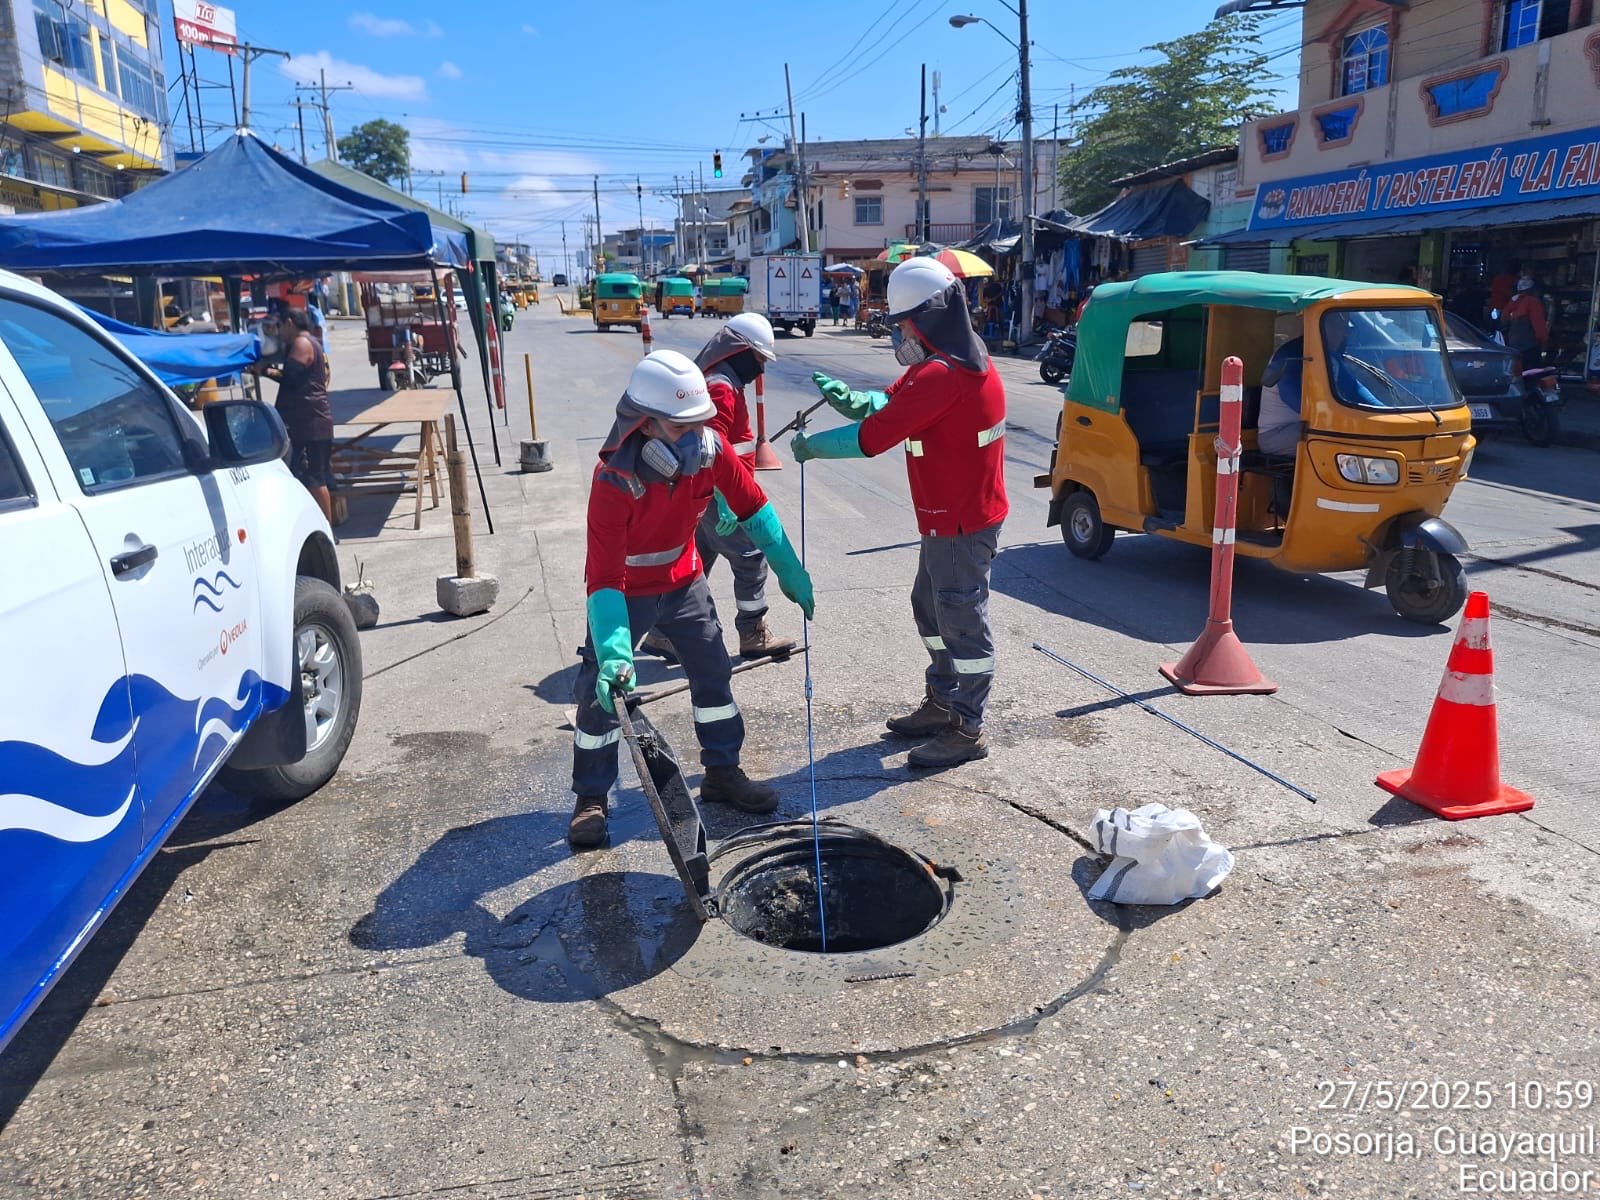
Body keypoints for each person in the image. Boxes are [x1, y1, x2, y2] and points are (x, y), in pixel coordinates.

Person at [570, 349, 815, 849]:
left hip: (685, 583)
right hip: (626, 593)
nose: (696, 437)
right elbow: (604, 578)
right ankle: (591, 798)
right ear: (645, 425)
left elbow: (753, 507)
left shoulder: (712, 450)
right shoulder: (615, 481)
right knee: (602, 689)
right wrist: (615, 652)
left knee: (713, 673)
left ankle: (723, 772)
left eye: (700, 422)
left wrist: (789, 568)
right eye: (681, 427)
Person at [791, 257, 1007, 769]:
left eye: (903, 324)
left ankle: (967, 727)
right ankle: (943, 699)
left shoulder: (942, 374)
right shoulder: (946, 360)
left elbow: (875, 436)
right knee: (929, 607)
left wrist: (816, 446)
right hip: (946, 517)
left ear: (926, 320)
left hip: (961, 521)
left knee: (960, 618)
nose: (899, 334)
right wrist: (853, 399)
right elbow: (893, 402)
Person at [649, 313, 795, 660]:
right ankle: (753, 632)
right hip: (721, 496)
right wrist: (727, 499)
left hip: (709, 494)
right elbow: (709, 450)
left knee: (695, 562)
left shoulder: (722, 381)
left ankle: (662, 633)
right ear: (739, 351)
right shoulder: (720, 387)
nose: (761, 368)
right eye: (759, 359)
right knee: (751, 556)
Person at [255, 306, 334, 523]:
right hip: (307, 421)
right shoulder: (311, 342)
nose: (279, 332)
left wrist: (265, 370)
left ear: (289, 323)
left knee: (315, 480)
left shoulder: (302, 343)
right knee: (307, 477)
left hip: (310, 422)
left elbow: (290, 378)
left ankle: (326, 528)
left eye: (280, 326)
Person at [1500, 273, 1548, 364]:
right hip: (1529, 347)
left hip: (1512, 346)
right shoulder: (1533, 302)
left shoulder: (1512, 302)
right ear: (1533, 289)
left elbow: (1504, 320)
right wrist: (1544, 341)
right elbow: (1539, 326)